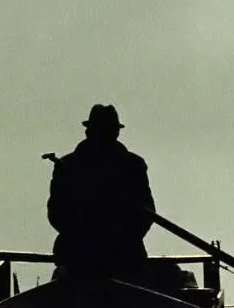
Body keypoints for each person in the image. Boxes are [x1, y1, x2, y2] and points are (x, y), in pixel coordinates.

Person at [46, 104, 154, 279]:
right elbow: (56, 214)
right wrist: (84, 235)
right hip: (77, 258)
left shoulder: (133, 166)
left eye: (108, 132)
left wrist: (119, 238)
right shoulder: (67, 167)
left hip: (124, 258)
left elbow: (146, 214)